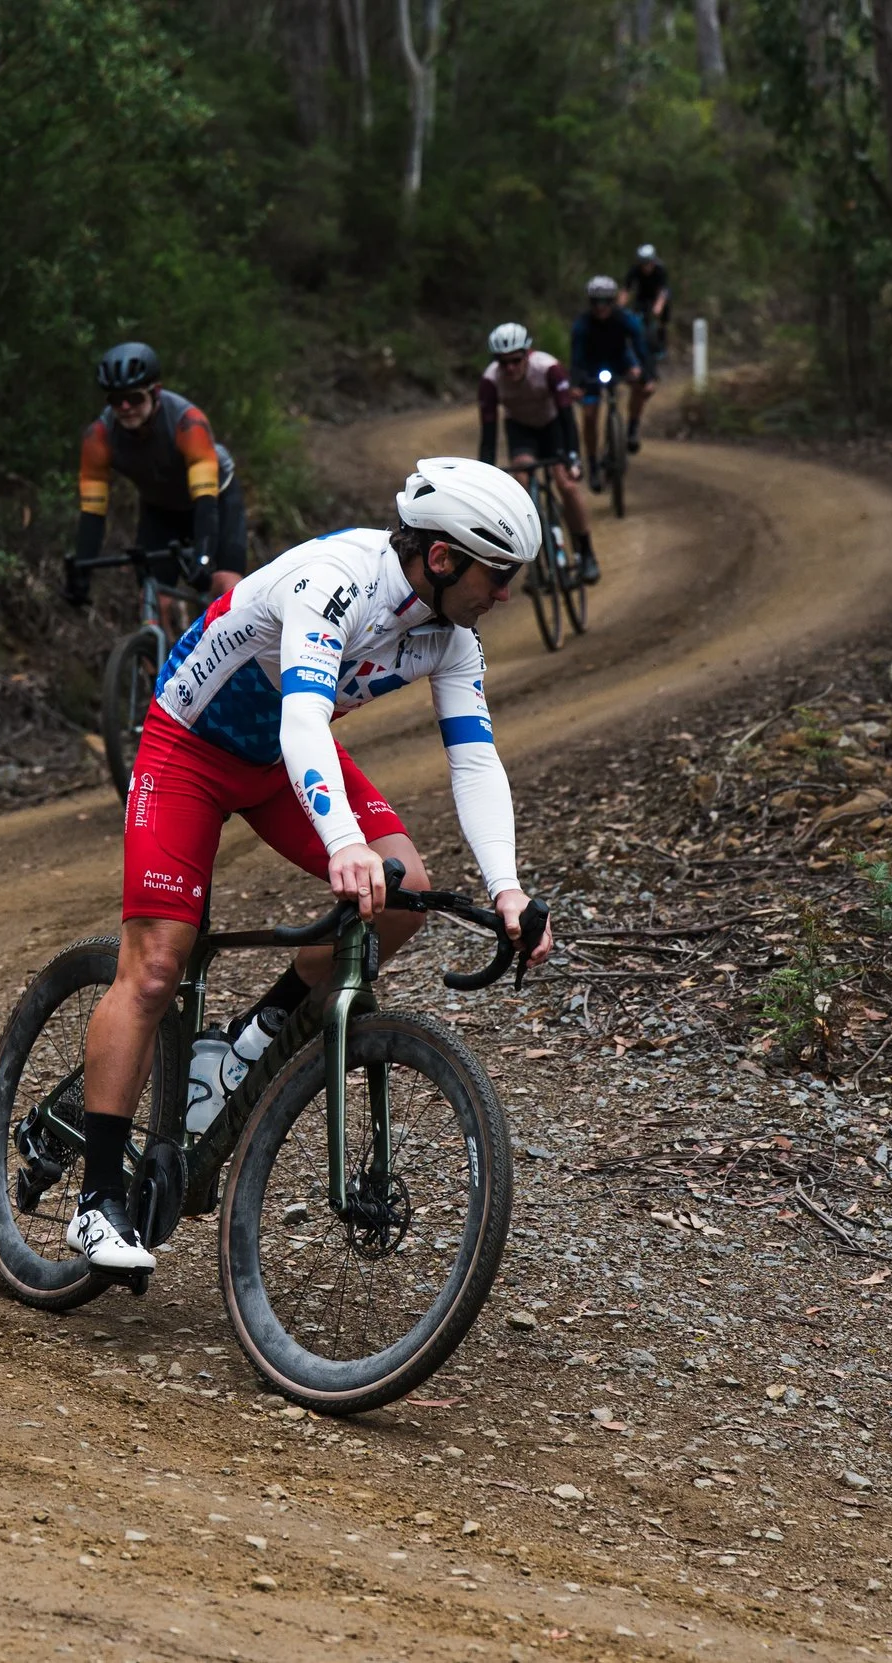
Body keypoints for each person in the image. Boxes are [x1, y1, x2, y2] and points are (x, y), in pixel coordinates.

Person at [64, 458, 557, 1274]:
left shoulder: (452, 636)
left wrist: (508, 889)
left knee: (408, 890)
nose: (504, 595)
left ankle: (251, 1036)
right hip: (189, 749)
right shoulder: (335, 581)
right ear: (441, 558)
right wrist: (341, 844)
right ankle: (96, 1203)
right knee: (154, 969)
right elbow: (302, 720)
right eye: (497, 576)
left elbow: (474, 759)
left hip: (279, 764)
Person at [66, 341, 249, 629]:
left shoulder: (188, 423)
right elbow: (93, 512)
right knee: (153, 598)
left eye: (135, 398)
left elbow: (205, 500)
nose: (125, 408)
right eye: (116, 400)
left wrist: (203, 556)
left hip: (215, 501)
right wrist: (82, 570)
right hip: (160, 508)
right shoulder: (98, 438)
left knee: (225, 585)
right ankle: (155, 667)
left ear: (155, 392)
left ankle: (238, 668)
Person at [476, 321, 601, 585]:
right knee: (522, 482)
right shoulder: (490, 380)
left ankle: (586, 553)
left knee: (565, 484)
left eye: (515, 360)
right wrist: (484, 473)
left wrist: (573, 457)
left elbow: (568, 417)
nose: (509, 368)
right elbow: (488, 431)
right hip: (521, 430)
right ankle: (537, 562)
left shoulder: (548, 368)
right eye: (503, 362)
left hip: (553, 426)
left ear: (527, 354)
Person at [569, 275, 657, 472]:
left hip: (620, 361)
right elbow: (576, 359)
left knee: (641, 385)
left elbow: (641, 349)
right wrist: (575, 384)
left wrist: (648, 376)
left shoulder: (626, 319)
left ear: (612, 301)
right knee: (590, 416)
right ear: (590, 302)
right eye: (596, 302)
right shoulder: (581, 325)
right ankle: (592, 463)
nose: (601, 307)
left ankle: (633, 427)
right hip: (591, 367)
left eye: (606, 301)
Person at [624, 243, 672, 358]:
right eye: (643, 263)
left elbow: (663, 291)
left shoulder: (660, 269)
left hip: (658, 296)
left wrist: (658, 306)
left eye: (648, 263)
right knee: (636, 317)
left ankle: (661, 344)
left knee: (661, 317)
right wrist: (619, 307)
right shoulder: (634, 270)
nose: (646, 267)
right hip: (642, 296)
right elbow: (626, 290)